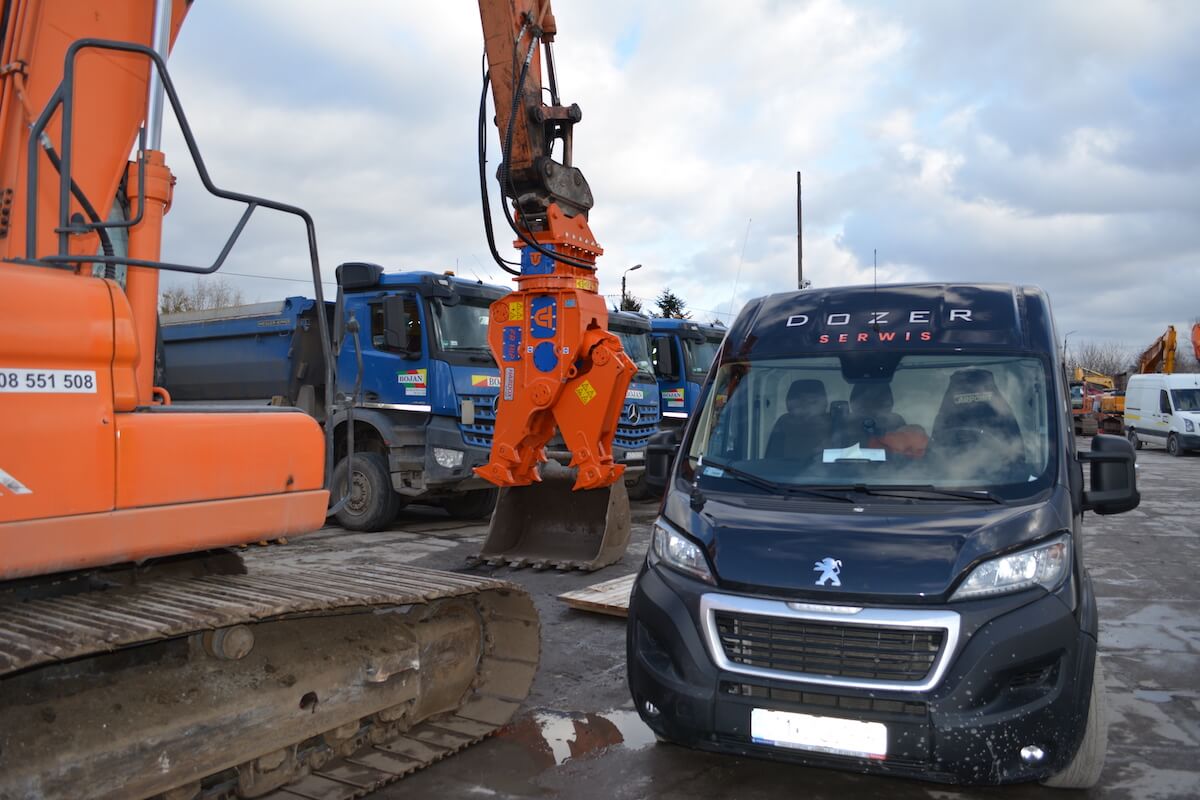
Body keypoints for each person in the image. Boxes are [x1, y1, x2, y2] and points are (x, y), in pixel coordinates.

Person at [766, 379, 831, 459]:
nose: (805, 406)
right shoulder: (784, 422)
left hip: (825, 469)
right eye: (800, 401)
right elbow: (771, 459)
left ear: (824, 402)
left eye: (812, 401)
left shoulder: (834, 422)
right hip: (786, 470)